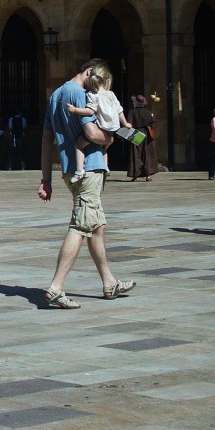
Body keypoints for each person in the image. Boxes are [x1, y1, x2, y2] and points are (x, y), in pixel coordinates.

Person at [39, 59, 136, 309]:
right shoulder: (82, 94)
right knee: (80, 225)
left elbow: (46, 139)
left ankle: (109, 282)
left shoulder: (55, 95)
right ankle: (56, 287)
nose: (99, 87)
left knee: (96, 226)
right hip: (89, 168)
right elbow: (93, 134)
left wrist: (46, 178)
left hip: (70, 169)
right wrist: (112, 140)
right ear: (90, 71)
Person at [65, 69, 142, 182]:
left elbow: (90, 111)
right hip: (114, 128)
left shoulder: (92, 95)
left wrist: (75, 109)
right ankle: (106, 167)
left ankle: (79, 170)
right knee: (104, 147)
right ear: (106, 82)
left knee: (78, 146)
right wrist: (125, 123)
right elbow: (119, 110)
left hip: (101, 128)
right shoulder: (111, 94)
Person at [127, 94, 159, 182]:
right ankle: (148, 175)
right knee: (147, 153)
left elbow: (129, 125)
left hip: (136, 133)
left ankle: (135, 174)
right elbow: (152, 122)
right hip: (146, 133)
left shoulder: (132, 112)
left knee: (136, 153)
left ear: (136, 103)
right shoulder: (147, 112)